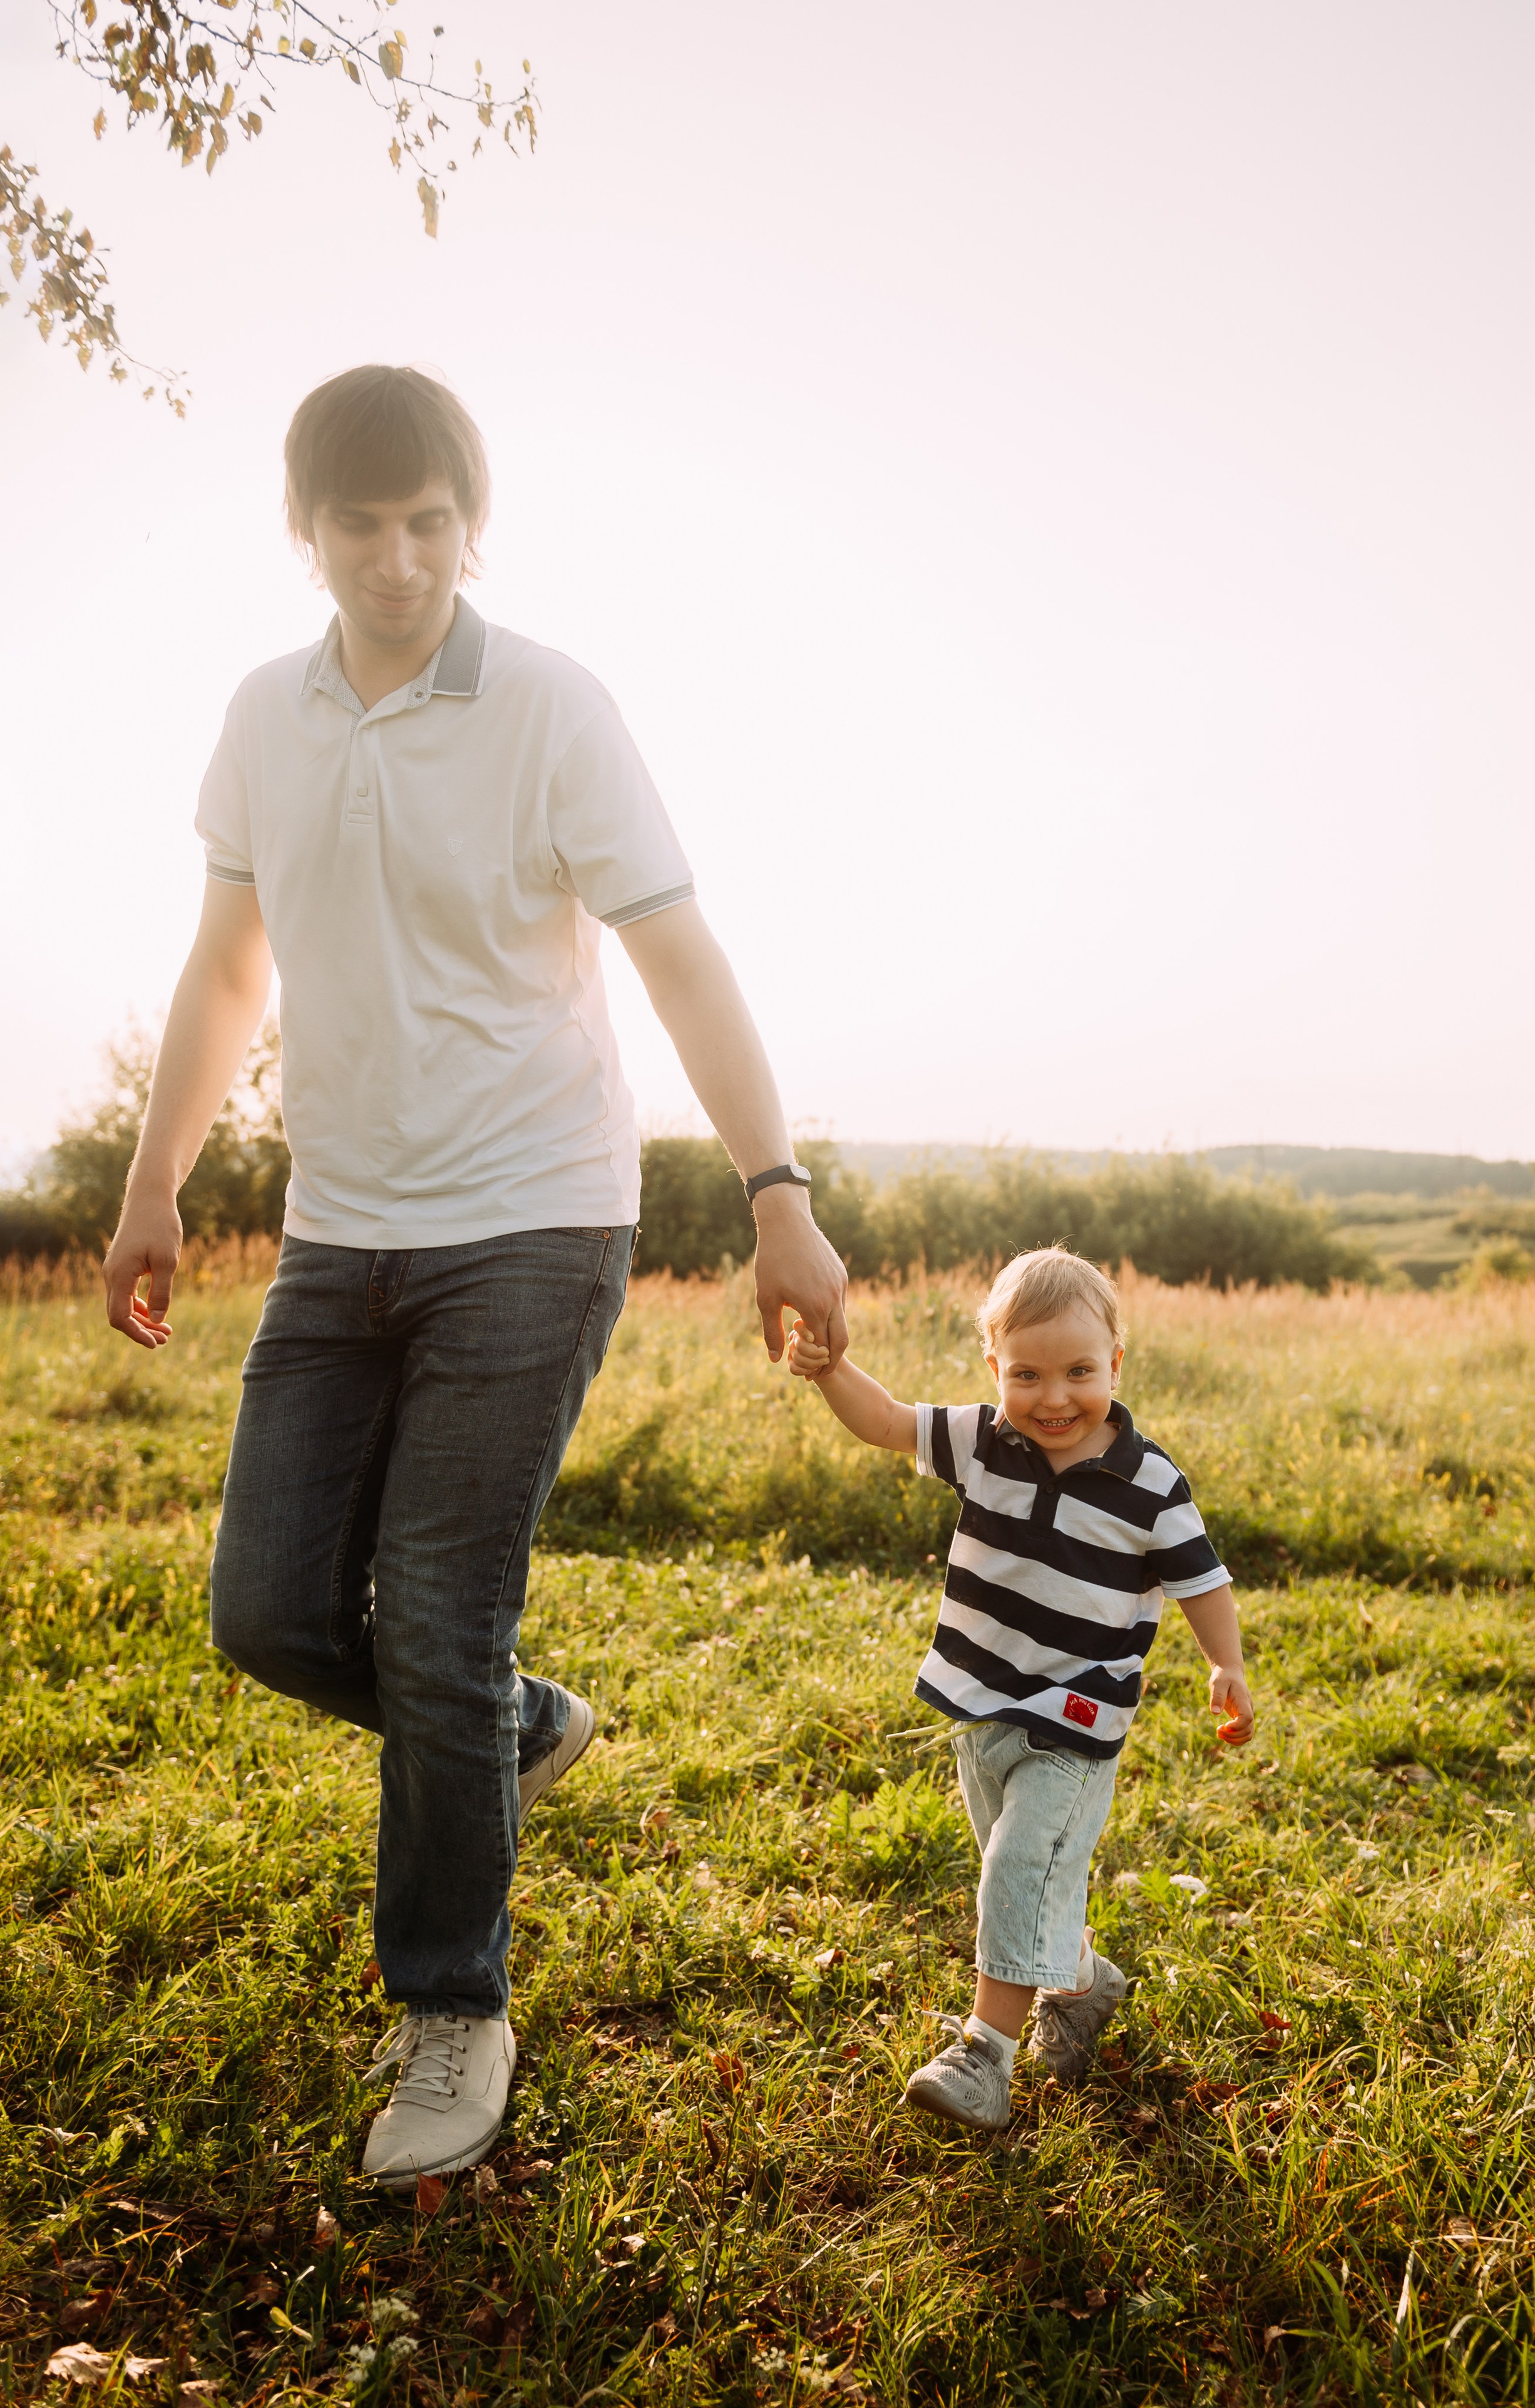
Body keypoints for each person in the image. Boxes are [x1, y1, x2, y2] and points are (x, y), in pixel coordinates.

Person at [101, 363, 849, 2190]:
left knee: (433, 1613)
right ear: (309, 535)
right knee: (270, 1613)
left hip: (534, 1215)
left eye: (431, 522)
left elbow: (678, 959)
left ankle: (454, 2007)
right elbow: (223, 975)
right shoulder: (263, 721)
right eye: (363, 525)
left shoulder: (553, 711)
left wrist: (777, 1190)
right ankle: (518, 1732)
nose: (400, 558)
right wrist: (153, 1179)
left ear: (472, 523)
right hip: (342, 1228)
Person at [787, 1246, 1252, 2131]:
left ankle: (982, 2055)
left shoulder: (1151, 1487)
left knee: (1013, 1867)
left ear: (1117, 1362)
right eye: (1028, 1374)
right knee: (1027, 1879)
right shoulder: (983, 1442)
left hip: (1074, 1723)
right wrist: (832, 1368)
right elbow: (884, 1420)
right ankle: (1080, 1981)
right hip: (979, 1706)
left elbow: (1202, 1582)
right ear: (994, 1368)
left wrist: (1224, 1664)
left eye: (1080, 1372)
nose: (1054, 1398)